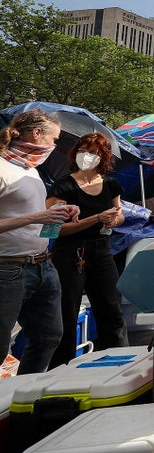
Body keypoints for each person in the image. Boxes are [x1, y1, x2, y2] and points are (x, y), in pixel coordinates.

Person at [0, 109, 80, 374]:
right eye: (53, 139)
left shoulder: (31, 170)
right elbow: (29, 217)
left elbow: (35, 221)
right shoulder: (2, 167)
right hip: (8, 269)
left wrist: (57, 216)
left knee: (48, 337)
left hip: (43, 265)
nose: (55, 146)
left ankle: (22, 396)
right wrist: (39, 215)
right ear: (36, 134)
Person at [45, 133, 128, 368]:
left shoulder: (111, 184)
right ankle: (60, 371)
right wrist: (95, 219)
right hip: (70, 254)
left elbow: (119, 213)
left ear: (103, 156)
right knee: (66, 316)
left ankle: (119, 367)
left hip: (102, 251)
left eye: (93, 152)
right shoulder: (63, 186)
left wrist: (115, 220)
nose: (87, 156)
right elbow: (52, 230)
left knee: (112, 312)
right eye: (83, 150)